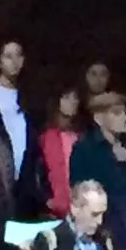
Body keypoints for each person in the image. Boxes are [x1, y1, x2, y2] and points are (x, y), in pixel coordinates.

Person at [0, 40, 36, 196]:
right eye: (8, 56)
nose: (15, 62)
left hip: (27, 178)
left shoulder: (30, 95)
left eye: (19, 55)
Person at [70, 91, 126, 205]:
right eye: (116, 113)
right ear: (98, 119)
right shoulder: (84, 149)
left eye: (125, 113)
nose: (125, 118)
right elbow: (79, 190)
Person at [36, 86, 84, 218]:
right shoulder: (44, 136)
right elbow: (37, 172)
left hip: (79, 206)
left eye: (75, 98)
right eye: (67, 97)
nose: (73, 102)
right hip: (54, 210)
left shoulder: (81, 135)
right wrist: (46, 199)